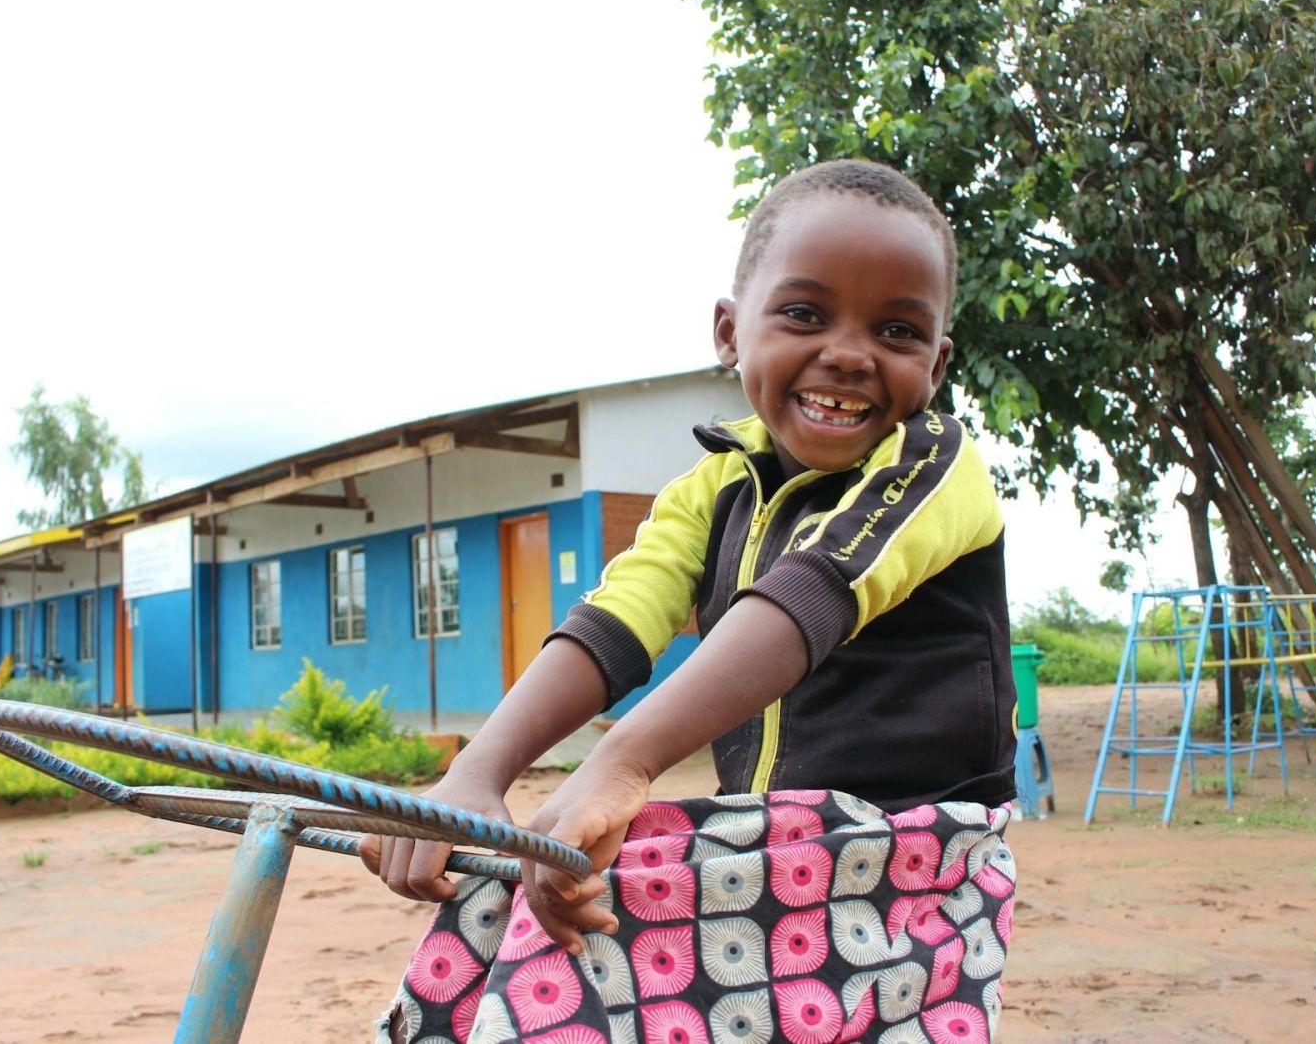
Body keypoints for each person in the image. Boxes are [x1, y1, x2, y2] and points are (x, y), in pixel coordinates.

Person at [364, 158, 1018, 1044]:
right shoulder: (712, 487)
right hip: (767, 853)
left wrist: (624, 760)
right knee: (522, 901)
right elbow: (614, 622)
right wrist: (480, 771)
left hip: (913, 872)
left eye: (898, 330)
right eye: (803, 313)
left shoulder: (934, 466)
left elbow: (810, 594)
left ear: (935, 363)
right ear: (728, 331)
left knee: (566, 930)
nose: (849, 353)